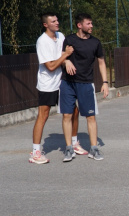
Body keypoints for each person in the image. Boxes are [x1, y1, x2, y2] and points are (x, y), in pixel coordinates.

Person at [29, 13, 83, 164]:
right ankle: (35, 152)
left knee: (74, 111)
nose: (57, 23)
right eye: (53, 21)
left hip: (62, 82)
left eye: (57, 20)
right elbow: (51, 66)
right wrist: (65, 56)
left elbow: (62, 56)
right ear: (46, 25)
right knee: (43, 115)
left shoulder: (60, 36)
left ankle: (73, 143)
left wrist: (66, 61)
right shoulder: (42, 41)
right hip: (47, 84)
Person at [60, 13, 109, 162]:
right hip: (68, 83)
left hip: (86, 84)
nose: (91, 26)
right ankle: (69, 148)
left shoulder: (95, 42)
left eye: (91, 23)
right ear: (79, 25)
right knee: (67, 115)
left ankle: (94, 149)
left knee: (91, 116)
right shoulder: (69, 39)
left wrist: (105, 82)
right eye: (88, 23)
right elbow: (63, 55)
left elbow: (101, 62)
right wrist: (66, 62)